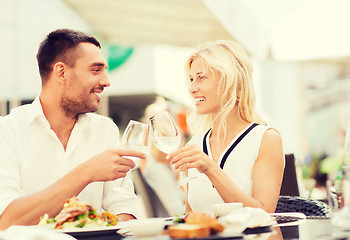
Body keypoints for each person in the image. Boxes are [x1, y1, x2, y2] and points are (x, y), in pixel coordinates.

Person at [0, 29, 145, 230]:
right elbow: (6, 221)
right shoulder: (7, 132)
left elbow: (123, 206)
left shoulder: (105, 130)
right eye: (96, 70)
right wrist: (87, 173)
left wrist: (119, 222)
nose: (106, 81)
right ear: (61, 72)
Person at [167, 40, 285, 214]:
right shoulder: (194, 145)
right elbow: (192, 218)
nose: (192, 88)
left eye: (201, 77)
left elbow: (264, 216)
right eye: (191, 79)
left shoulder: (265, 139)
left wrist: (211, 169)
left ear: (228, 80)